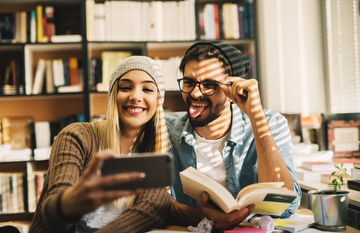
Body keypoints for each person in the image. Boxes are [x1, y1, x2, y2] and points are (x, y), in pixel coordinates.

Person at [166, 41, 301, 230]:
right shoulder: (166, 130)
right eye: (189, 82)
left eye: (209, 84)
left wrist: (256, 117)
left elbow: (285, 205)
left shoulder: (269, 124)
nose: (195, 93)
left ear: (232, 87)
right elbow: (154, 204)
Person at [29, 56, 171, 233]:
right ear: (113, 95)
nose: (135, 96)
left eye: (147, 89)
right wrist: (69, 204)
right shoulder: (76, 136)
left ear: (158, 100)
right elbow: (52, 212)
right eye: (125, 87)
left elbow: (151, 210)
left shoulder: (156, 152)